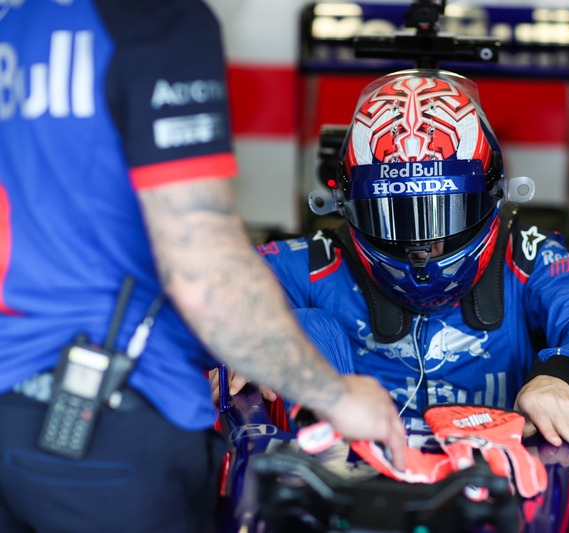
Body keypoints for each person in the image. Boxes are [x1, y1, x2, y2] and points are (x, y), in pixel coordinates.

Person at [0, 2, 404, 532]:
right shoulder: (159, 20)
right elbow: (202, 265)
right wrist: (334, 394)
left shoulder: (21, 22)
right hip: (113, 424)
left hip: (14, 406)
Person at [253, 69, 569, 470]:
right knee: (302, 327)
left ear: (492, 196)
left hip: (500, 487)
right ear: (346, 207)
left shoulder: (528, 255)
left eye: (443, 214)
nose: (422, 248)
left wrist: (559, 375)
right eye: (394, 216)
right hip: (345, 485)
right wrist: (239, 341)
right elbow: (210, 285)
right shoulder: (318, 260)